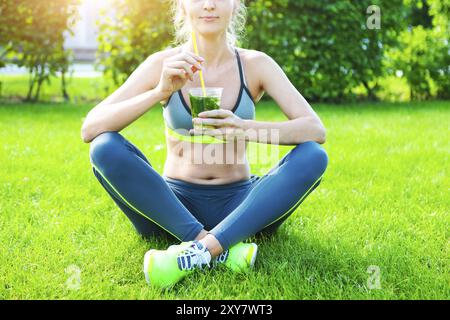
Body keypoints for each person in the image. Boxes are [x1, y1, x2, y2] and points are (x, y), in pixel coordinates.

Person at [81, 0, 328, 289]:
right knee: (104, 147)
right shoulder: (162, 65)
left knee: (313, 155)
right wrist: (160, 91)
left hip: (241, 205)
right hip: (171, 207)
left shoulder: (255, 65)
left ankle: (196, 250)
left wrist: (244, 128)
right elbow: (91, 128)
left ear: (235, 5)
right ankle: (215, 248)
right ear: (183, 6)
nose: (209, 5)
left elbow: (314, 129)